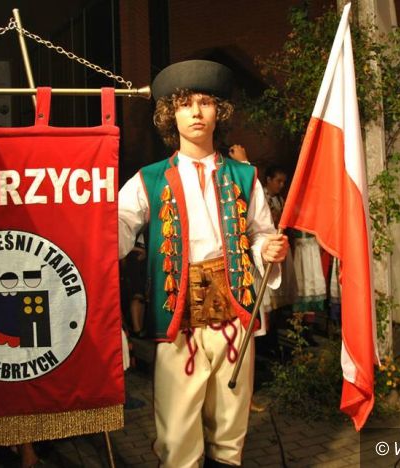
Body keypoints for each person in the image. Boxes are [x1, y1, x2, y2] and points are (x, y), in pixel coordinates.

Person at [118, 60, 288, 467]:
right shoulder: (149, 179)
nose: (196, 112)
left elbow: (260, 233)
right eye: (184, 104)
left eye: (205, 102)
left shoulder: (245, 176)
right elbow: (118, 226)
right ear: (170, 115)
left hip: (235, 314)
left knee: (230, 427)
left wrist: (267, 249)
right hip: (177, 320)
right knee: (177, 435)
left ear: (219, 112)